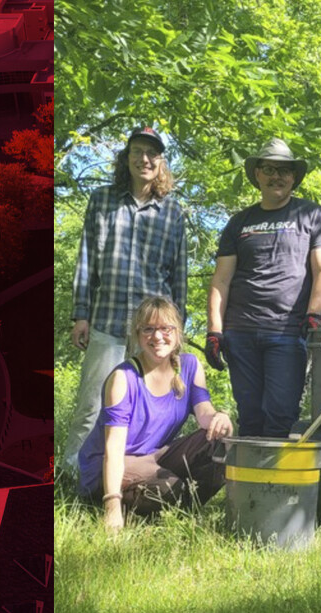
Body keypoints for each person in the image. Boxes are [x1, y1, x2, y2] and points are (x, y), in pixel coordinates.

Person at [63, 127, 188, 472]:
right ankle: (72, 475)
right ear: (127, 157)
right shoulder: (102, 200)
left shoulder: (173, 212)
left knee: (148, 409)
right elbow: (86, 260)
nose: (144, 159)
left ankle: (141, 475)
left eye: (152, 153)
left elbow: (179, 275)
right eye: (138, 151)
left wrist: (178, 329)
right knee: (92, 405)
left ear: (161, 163)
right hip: (106, 322)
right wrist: (81, 315)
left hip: (154, 333)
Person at [206, 138, 321, 437]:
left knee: (280, 414)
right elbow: (221, 280)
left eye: (285, 171)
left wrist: (314, 314)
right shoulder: (239, 222)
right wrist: (214, 330)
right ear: (258, 175)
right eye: (269, 169)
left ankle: (275, 484)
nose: (277, 176)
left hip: (287, 332)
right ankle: (250, 484)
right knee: (249, 415)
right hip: (240, 332)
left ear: (293, 177)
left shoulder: (312, 215)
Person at [77, 296, 233, 531]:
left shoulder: (190, 366)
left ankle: (177, 508)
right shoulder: (123, 378)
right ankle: (158, 505)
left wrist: (220, 417)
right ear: (138, 335)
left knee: (220, 443)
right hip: (109, 467)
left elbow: (204, 415)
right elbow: (114, 449)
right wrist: (111, 506)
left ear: (177, 332)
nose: (157, 336)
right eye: (148, 329)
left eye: (165, 328)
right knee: (170, 488)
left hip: (155, 457)